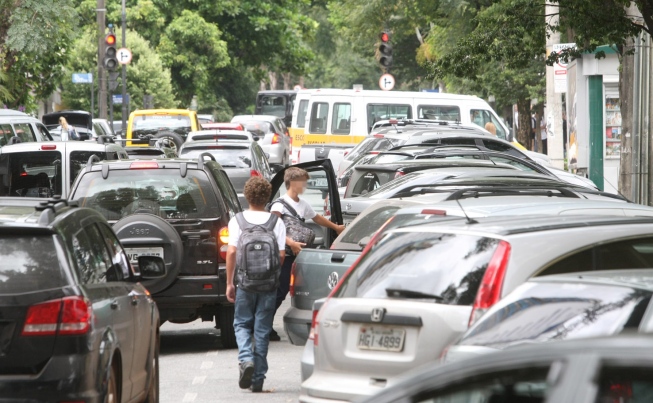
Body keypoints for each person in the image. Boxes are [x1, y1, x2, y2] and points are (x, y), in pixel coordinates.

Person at [226, 177, 287, 393]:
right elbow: (281, 256)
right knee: (261, 330)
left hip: (245, 283)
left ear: (247, 196)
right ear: (267, 198)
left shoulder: (238, 221)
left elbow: (232, 251)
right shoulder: (276, 222)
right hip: (268, 285)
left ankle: (246, 359)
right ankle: (258, 380)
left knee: (242, 324)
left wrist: (229, 283)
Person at [269, 167, 345, 341]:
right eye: (303, 181)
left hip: (297, 254)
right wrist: (291, 243)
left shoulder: (302, 204)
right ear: (293, 183)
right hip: (283, 255)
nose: (305, 185)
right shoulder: (280, 204)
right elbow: (273, 227)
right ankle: (264, 326)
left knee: (289, 290)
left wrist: (335, 228)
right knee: (279, 291)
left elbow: (317, 217)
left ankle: (264, 325)